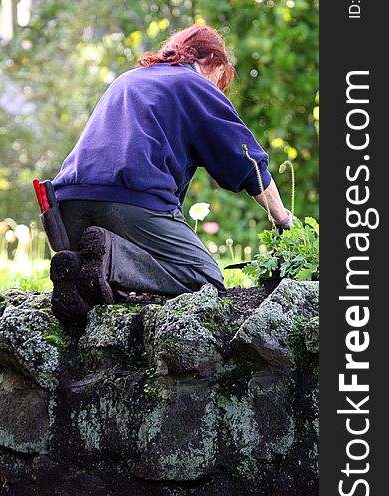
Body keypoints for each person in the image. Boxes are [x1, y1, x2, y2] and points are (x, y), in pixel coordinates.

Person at [49, 24, 291, 328]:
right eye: (221, 79)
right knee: (205, 278)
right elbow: (247, 163)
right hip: (129, 200)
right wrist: (283, 220)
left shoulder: (127, 80)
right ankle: (111, 261)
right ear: (213, 63)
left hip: (66, 205)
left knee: (102, 261)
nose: (218, 88)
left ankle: (83, 266)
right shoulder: (193, 84)